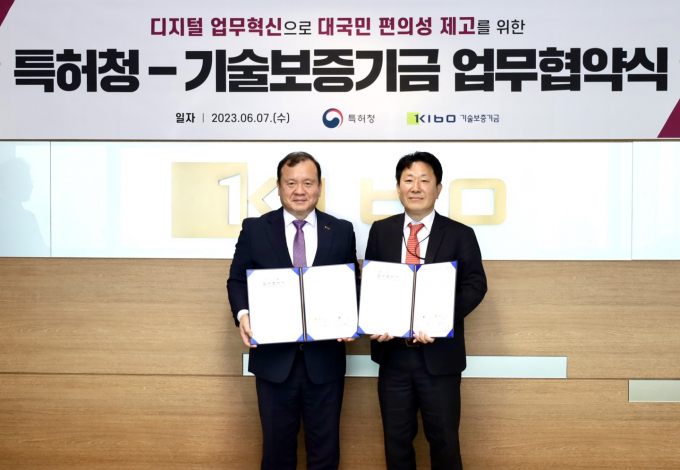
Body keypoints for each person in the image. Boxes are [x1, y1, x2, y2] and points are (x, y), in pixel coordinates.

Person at [227, 151, 359, 470]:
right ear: (279, 186)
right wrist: (243, 315)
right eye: (291, 183)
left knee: (325, 452)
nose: (300, 190)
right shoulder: (255, 229)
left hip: (325, 360)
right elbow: (237, 279)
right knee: (276, 453)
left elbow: (351, 283)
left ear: (319, 187)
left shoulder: (341, 230)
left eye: (308, 183)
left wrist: (351, 320)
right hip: (274, 361)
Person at [365, 151, 487, 470]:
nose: (415, 187)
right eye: (408, 180)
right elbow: (371, 285)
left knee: (444, 441)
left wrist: (440, 320)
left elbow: (475, 285)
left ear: (438, 188)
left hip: (439, 357)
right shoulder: (381, 231)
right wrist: (374, 321)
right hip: (393, 357)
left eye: (424, 180)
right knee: (396, 442)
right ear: (398, 187)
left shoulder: (460, 234)